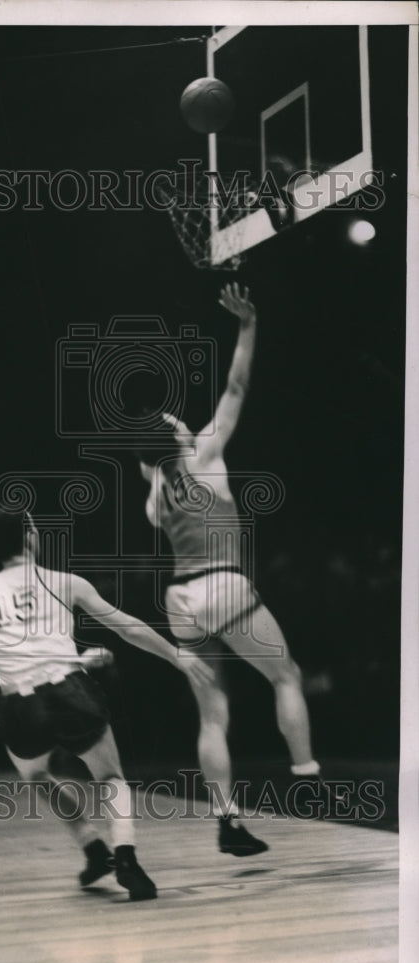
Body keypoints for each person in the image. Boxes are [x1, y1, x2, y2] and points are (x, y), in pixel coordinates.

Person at [137, 282, 324, 857]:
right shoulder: (205, 457)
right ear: (176, 437)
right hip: (223, 584)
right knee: (286, 675)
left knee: (212, 714)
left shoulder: (154, 495)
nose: (185, 421)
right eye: (177, 421)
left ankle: (227, 819)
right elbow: (236, 385)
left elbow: (152, 466)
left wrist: (152, 452)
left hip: (180, 600)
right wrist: (247, 325)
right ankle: (307, 774)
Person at [0, 508, 214, 901]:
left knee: (36, 777)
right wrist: (175, 655)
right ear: (31, 538)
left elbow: (18, 659)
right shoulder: (66, 583)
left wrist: (76, 656)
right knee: (111, 778)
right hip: (68, 691)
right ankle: (127, 858)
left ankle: (91, 847)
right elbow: (127, 627)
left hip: (17, 705)